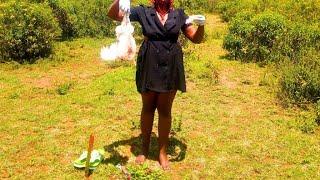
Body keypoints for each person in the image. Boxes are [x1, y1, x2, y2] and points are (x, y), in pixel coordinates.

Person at [107, 0, 205, 170]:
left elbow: (195, 38)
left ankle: (162, 152)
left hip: (171, 65)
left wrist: (202, 25)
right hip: (149, 64)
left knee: (165, 110)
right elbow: (113, 14)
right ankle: (144, 149)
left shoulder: (180, 14)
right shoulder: (143, 12)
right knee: (147, 107)